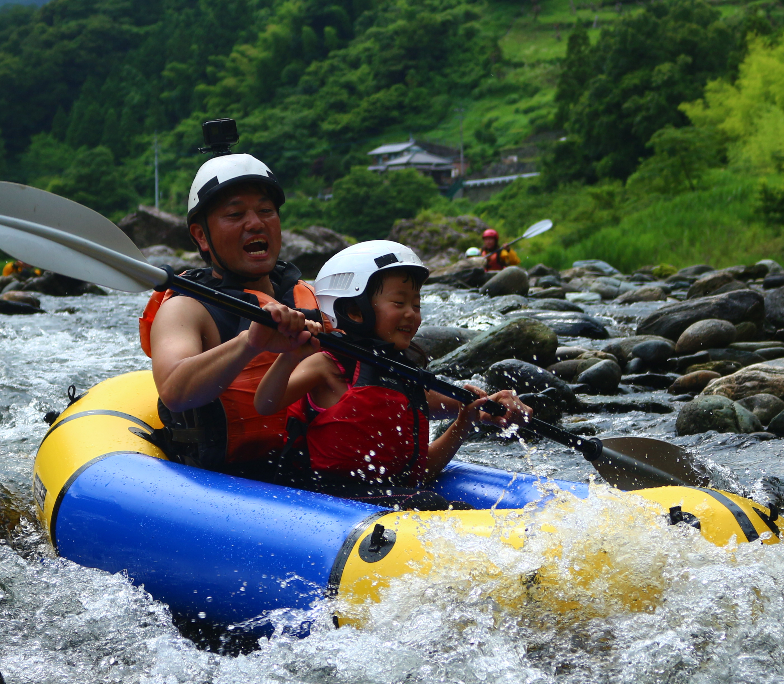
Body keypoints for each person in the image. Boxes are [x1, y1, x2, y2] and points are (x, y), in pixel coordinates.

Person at [254, 241, 530, 502]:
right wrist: (290, 355)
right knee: (429, 503)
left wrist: (473, 417)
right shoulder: (326, 365)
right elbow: (265, 404)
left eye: (416, 305)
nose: (412, 314)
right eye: (399, 303)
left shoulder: (404, 379)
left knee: (429, 501)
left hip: (386, 500)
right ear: (354, 310)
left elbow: (419, 473)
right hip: (327, 499)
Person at [138, 152, 321, 476]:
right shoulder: (186, 307)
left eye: (266, 211)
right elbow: (174, 392)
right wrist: (249, 343)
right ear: (201, 236)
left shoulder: (307, 295)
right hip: (222, 479)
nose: (256, 223)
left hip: (312, 470)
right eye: (235, 214)